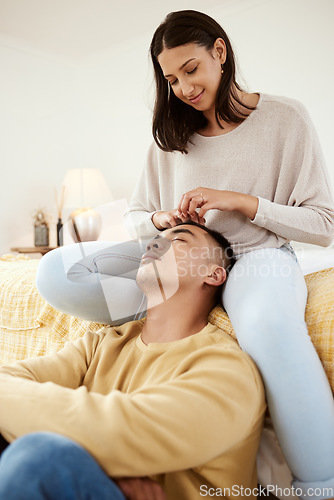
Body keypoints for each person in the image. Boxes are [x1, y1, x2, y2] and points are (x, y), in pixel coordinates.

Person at [36, 10, 334, 499]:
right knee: (56, 271)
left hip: (252, 256)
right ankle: (162, 306)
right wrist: (160, 221)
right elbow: (135, 215)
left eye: (191, 69)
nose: (183, 88)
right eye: (171, 79)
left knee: (266, 324)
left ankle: (319, 487)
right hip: (177, 257)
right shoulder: (172, 139)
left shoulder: (285, 118)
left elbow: (323, 225)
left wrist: (240, 202)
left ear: (220, 51)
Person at [0, 223, 266, 500]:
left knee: (39, 458)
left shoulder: (226, 369)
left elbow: (121, 432)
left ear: (213, 274)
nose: (153, 245)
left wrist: (106, 455)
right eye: (154, 240)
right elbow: (10, 377)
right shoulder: (102, 343)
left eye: (180, 240)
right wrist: (111, 468)